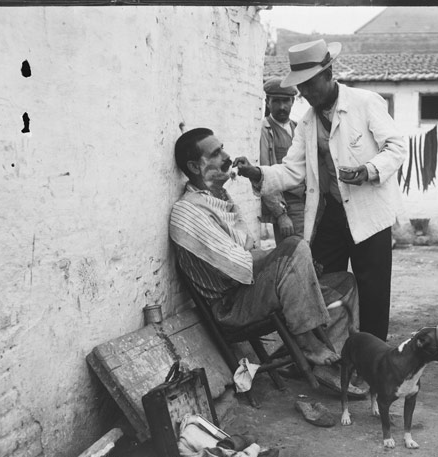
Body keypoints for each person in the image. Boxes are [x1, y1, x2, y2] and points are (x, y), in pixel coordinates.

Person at [235, 39, 407, 342]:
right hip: (331, 215)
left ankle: (373, 357)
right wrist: (256, 173)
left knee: (374, 292)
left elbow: (396, 146)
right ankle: (329, 351)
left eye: (311, 86)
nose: (307, 95)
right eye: (302, 89)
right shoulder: (307, 123)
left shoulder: (365, 103)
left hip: (370, 215)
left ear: (329, 74)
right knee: (321, 283)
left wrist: (368, 170)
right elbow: (292, 170)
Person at [169, 127, 359, 368]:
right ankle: (308, 344)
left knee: (345, 283)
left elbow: (250, 251)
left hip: (251, 290)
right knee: (294, 246)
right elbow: (238, 267)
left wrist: (298, 265)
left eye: (223, 149)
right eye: (216, 154)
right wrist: (290, 258)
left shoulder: (220, 199)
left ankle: (324, 361)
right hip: (232, 306)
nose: (227, 157)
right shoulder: (189, 211)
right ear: (196, 167)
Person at [259, 77, 305, 244]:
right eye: (276, 101)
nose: (282, 107)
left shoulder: (299, 128)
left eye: (286, 101)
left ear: (293, 101)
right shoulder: (264, 131)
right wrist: (281, 215)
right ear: (268, 102)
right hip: (288, 205)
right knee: (295, 254)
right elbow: (265, 176)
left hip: (308, 201)